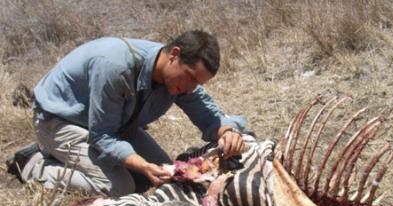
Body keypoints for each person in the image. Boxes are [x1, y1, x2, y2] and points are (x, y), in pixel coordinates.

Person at [7, 30, 245, 196]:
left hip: (114, 124)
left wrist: (226, 130)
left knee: (167, 174)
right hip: (59, 120)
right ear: (174, 54)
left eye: (198, 83)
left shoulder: (176, 76)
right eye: (191, 78)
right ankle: (32, 163)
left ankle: (63, 156)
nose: (191, 88)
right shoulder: (116, 66)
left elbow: (206, 111)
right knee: (119, 187)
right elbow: (103, 136)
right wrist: (141, 165)